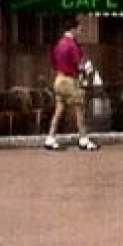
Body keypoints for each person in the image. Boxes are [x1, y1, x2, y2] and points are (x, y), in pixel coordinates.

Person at [45, 18, 98, 151]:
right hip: (69, 80)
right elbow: (79, 64)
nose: (80, 31)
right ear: (73, 29)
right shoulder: (72, 45)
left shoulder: (58, 44)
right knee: (80, 109)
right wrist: (88, 68)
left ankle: (50, 138)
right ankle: (83, 139)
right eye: (79, 29)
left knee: (59, 110)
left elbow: (53, 62)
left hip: (58, 79)